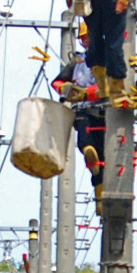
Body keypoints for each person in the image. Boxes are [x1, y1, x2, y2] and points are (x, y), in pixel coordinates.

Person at [50, 54, 107, 186]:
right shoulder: (78, 61)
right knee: (84, 138)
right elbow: (57, 82)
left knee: (104, 156)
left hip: (105, 112)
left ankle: (100, 196)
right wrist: (63, 89)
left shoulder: (110, 56)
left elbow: (112, 86)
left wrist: (86, 93)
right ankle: (89, 153)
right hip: (83, 110)